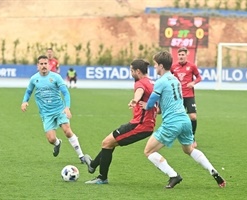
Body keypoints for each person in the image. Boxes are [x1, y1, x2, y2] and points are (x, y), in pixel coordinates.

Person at [139, 51, 226, 189]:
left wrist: (144, 105)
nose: (154, 67)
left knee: (148, 151)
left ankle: (173, 175)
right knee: (189, 150)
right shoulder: (176, 80)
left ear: (161, 66)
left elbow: (150, 105)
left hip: (172, 123)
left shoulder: (160, 82)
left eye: (155, 64)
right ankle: (212, 170)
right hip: (185, 121)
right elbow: (167, 104)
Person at [84, 59, 158, 184]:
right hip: (145, 124)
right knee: (109, 143)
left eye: (131, 71)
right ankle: (92, 165)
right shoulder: (153, 83)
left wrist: (135, 100)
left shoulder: (140, 83)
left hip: (140, 125)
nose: (131, 73)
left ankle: (102, 178)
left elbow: (139, 92)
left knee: (106, 142)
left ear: (138, 71)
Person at [21, 55, 90, 165]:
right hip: (46, 113)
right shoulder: (34, 79)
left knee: (67, 131)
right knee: (51, 139)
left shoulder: (56, 77)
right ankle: (58, 143)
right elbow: (29, 91)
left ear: (49, 65)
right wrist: (25, 101)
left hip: (59, 110)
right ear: (37, 66)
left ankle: (81, 156)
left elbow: (65, 92)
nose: (43, 66)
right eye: (41, 64)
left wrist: (67, 107)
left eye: (45, 64)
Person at [171, 47, 202, 147]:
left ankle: (192, 137)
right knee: (176, 117)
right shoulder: (173, 67)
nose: (181, 56)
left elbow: (199, 77)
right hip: (178, 96)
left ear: (186, 55)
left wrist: (193, 82)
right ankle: (174, 136)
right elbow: (168, 77)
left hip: (189, 95)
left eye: (183, 55)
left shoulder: (192, 66)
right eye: (179, 55)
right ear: (177, 56)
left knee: (193, 116)